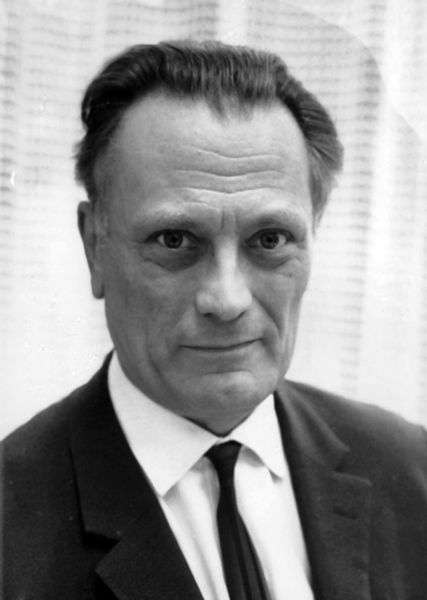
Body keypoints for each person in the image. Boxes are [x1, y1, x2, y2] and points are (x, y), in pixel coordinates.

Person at [2, 40, 427, 600]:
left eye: (269, 240)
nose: (227, 300)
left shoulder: (411, 471)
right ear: (94, 247)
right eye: (174, 240)